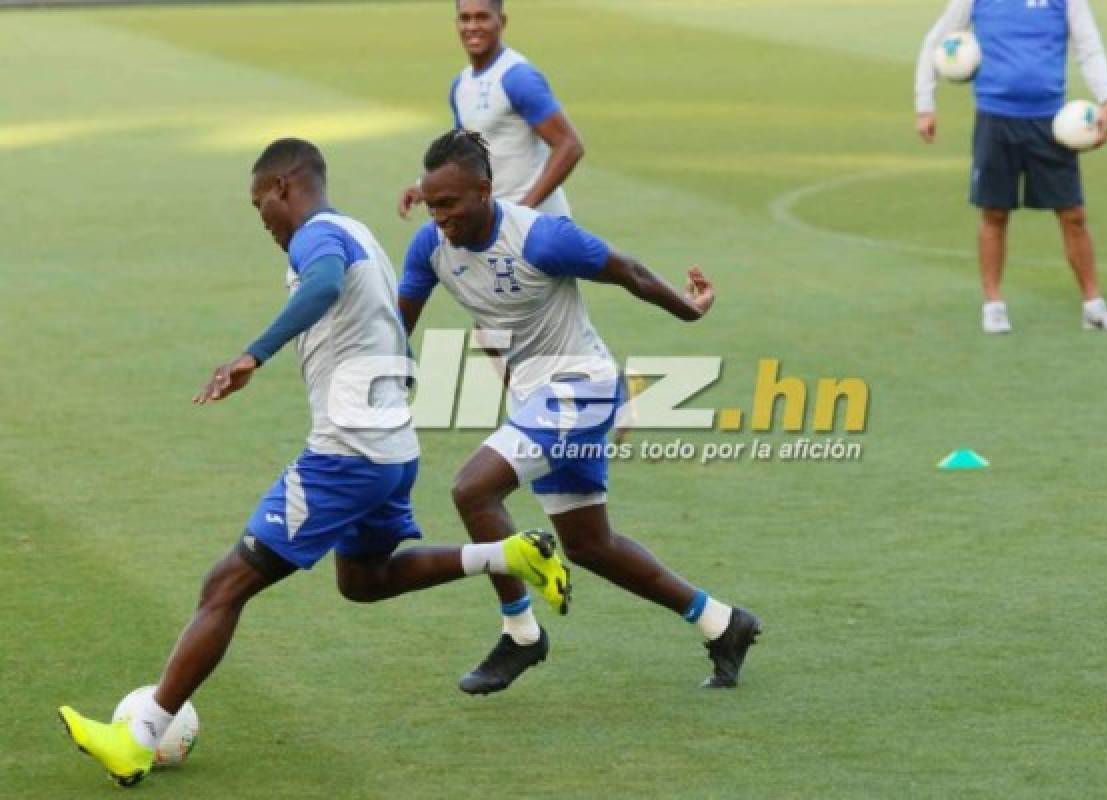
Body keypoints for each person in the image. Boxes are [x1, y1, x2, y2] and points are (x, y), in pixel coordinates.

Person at [57, 138, 570, 788]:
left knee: (224, 586)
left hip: (345, 455)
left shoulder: (315, 239)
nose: (263, 222)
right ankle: (509, 555)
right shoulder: (359, 232)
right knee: (363, 580)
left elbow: (324, 284)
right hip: (390, 449)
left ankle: (139, 736)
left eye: (259, 206)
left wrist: (254, 354)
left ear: (283, 188)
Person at [398, 130, 761, 695]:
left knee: (472, 489)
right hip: (536, 400)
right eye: (431, 204)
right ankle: (722, 621)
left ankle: (521, 633)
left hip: (582, 389)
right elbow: (401, 320)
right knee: (590, 546)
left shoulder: (541, 238)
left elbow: (631, 273)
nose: (439, 217)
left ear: (486, 190)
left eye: (449, 203)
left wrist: (689, 311)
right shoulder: (430, 248)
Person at [915, 0, 1107, 334]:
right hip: (995, 118)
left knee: (1073, 214)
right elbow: (937, 39)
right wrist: (925, 104)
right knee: (994, 212)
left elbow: (1089, 46)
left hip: (1052, 123)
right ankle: (993, 306)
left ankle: (1093, 307)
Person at [398, 0, 583, 220]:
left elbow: (570, 145)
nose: (472, 26)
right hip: (498, 224)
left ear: (501, 22)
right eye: (465, 18)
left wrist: (525, 209)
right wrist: (422, 187)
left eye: (482, 17)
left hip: (540, 224)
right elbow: (462, 150)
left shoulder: (518, 78)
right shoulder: (461, 84)